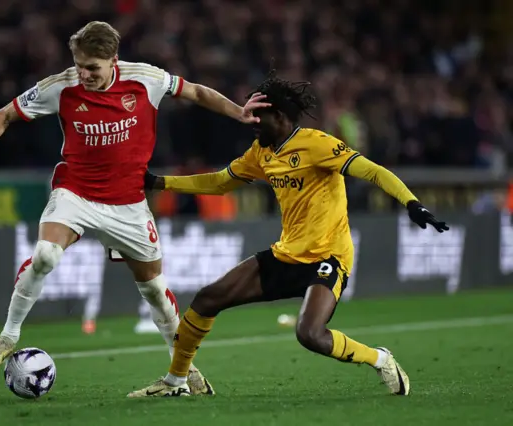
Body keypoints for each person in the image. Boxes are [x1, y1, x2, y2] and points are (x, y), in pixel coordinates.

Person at [0, 21, 268, 395]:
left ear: (114, 61)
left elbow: (197, 93)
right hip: (75, 192)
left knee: (155, 290)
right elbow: (5, 114)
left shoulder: (145, 80)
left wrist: (239, 112)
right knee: (44, 254)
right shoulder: (60, 87)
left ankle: (185, 371)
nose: (84, 74)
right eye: (79, 65)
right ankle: (9, 335)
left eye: (93, 67)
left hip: (128, 203)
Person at [128, 71, 449, 398]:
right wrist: (160, 182)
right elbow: (220, 182)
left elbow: (372, 170)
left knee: (310, 334)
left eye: (259, 116)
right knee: (208, 298)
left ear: (279, 116)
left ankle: (380, 359)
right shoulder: (261, 152)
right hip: (285, 255)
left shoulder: (317, 144)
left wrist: (411, 203)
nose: (252, 122)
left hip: (328, 257)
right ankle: (177, 382)